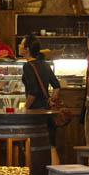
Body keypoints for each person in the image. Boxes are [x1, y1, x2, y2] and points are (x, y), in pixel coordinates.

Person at [19, 35, 61, 163]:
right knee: (51, 146)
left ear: (27, 49)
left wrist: (25, 108)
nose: (19, 46)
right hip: (47, 111)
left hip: (34, 114)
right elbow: (56, 86)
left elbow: (33, 92)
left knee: (32, 146)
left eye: (21, 44)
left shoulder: (28, 66)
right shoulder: (44, 64)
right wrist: (51, 101)